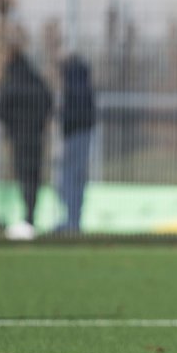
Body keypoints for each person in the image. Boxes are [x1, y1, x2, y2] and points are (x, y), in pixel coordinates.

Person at [0, 45, 53, 241]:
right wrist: (38, 123)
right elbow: (48, 101)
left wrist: (11, 127)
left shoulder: (11, 81)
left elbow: (1, 108)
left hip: (19, 138)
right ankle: (29, 218)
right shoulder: (35, 79)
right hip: (35, 137)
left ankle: (26, 220)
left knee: (23, 177)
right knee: (33, 178)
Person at [57, 53, 96, 234]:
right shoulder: (84, 86)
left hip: (74, 135)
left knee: (69, 179)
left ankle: (71, 222)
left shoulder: (75, 86)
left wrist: (65, 122)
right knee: (74, 179)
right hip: (80, 135)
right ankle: (72, 220)